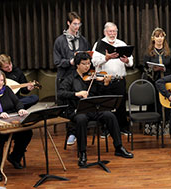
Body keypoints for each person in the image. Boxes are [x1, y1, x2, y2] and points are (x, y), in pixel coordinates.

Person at [57, 52, 133, 167]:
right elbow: (61, 93)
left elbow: (100, 92)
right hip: (76, 110)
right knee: (81, 119)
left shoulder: (92, 77)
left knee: (110, 116)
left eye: (88, 63)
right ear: (77, 65)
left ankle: (119, 147)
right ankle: (82, 153)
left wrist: (106, 84)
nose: (87, 66)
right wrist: (76, 94)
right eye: (84, 64)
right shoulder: (70, 78)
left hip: (92, 108)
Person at [53, 11, 90, 145]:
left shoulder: (83, 40)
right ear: (68, 23)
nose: (77, 27)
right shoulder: (60, 41)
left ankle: (80, 132)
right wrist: (71, 62)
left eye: (79, 24)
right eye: (74, 24)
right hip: (65, 77)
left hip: (80, 77)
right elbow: (57, 62)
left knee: (80, 105)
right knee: (69, 106)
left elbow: (87, 57)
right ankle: (71, 133)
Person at [92, 22, 133, 135]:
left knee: (120, 105)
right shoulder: (99, 44)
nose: (112, 33)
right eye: (110, 31)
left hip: (119, 80)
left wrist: (127, 61)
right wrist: (106, 58)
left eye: (114, 31)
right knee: (105, 106)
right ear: (105, 32)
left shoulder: (121, 43)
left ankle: (122, 127)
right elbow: (94, 62)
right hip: (104, 81)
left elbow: (131, 61)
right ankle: (105, 129)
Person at [143, 27, 171, 135]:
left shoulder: (169, 51)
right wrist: (153, 69)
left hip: (166, 82)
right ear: (153, 38)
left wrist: (165, 70)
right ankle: (153, 127)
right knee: (155, 104)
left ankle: (166, 126)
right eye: (157, 36)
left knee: (166, 104)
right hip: (154, 82)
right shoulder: (149, 53)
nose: (159, 39)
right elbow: (145, 69)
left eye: (161, 36)